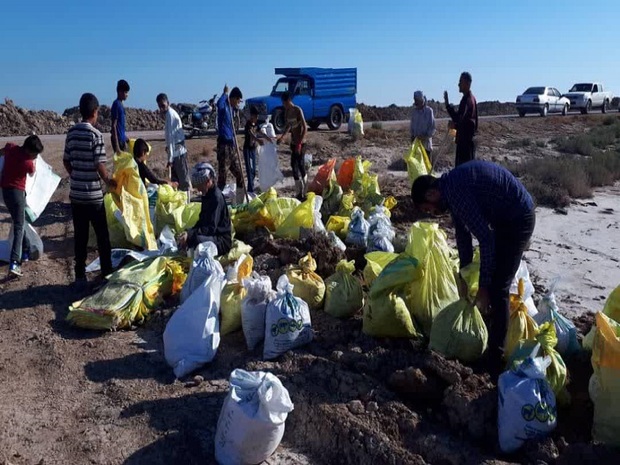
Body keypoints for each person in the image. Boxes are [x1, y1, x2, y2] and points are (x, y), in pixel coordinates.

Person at [410, 161, 536, 376]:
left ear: (431, 194)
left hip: (518, 219)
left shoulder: (456, 193)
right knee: (493, 281)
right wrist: (464, 275)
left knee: (499, 287)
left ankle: (495, 360)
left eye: (427, 209)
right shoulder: (450, 191)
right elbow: (463, 236)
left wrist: (484, 287)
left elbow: (485, 239)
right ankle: (492, 331)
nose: (431, 213)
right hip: (503, 219)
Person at [63, 93, 117, 286]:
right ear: (95, 112)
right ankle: (107, 272)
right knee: (102, 236)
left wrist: (76, 176)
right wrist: (111, 181)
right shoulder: (96, 135)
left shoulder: (71, 133)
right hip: (93, 196)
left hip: (76, 196)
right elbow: (100, 166)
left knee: (80, 237)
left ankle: (79, 276)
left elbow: (66, 160)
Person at [0, 135, 43, 277]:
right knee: (19, 226)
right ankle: (15, 263)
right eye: (35, 154)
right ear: (29, 151)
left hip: (5, 193)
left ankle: (27, 250)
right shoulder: (28, 163)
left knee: (20, 221)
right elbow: (32, 173)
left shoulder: (11, 148)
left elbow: (2, 151)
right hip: (18, 195)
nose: (36, 156)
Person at [177, 163, 232, 256]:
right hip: (212, 235)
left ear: (208, 181)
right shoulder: (207, 195)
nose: (198, 189)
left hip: (221, 240)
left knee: (197, 240)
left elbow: (211, 228)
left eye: (200, 185)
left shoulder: (216, 198)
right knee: (184, 235)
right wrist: (188, 232)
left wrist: (190, 235)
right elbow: (202, 221)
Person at [156, 93, 191, 195]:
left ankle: (186, 204)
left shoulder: (170, 115)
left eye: (163, 105)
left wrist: (170, 159)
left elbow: (171, 138)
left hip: (178, 153)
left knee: (183, 181)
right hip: (174, 153)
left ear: (168, 103)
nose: (162, 108)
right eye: (160, 107)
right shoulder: (167, 115)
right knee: (175, 182)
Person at [276, 91, 307, 200]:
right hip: (294, 143)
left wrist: (300, 142)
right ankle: (299, 192)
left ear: (288, 101)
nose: (284, 105)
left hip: (301, 143)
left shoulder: (297, 110)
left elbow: (304, 127)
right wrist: (282, 137)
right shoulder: (287, 112)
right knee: (294, 166)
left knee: (301, 165)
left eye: (284, 102)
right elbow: (288, 126)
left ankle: (306, 191)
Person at [216, 85, 245, 203]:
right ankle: (215, 203)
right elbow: (218, 104)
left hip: (231, 146)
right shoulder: (224, 107)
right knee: (222, 179)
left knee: (240, 175)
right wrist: (225, 94)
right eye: (238, 100)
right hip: (224, 147)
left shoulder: (232, 109)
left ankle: (240, 203)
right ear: (233, 98)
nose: (238, 103)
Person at [444, 72, 478, 166]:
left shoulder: (468, 101)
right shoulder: (468, 99)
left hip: (465, 145)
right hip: (463, 143)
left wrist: (454, 125)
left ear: (467, 83)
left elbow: (459, 120)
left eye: (460, 82)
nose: (458, 84)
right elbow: (459, 120)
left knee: (464, 175)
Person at [243, 106, 265, 193]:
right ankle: (250, 190)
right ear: (252, 116)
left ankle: (250, 188)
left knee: (253, 171)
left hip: (253, 150)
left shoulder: (256, 125)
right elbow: (251, 134)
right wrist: (258, 140)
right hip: (247, 150)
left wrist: (268, 138)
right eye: (256, 117)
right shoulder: (248, 125)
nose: (256, 119)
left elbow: (260, 132)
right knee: (249, 170)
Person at [410, 90, 436, 159]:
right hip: (416, 148)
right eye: (415, 100)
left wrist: (424, 136)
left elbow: (432, 128)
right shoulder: (414, 112)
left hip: (426, 147)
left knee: (427, 169)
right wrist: (412, 139)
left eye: (417, 100)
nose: (415, 102)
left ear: (421, 100)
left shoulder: (429, 111)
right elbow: (412, 128)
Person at [111, 79, 130, 153]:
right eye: (125, 92)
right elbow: (114, 126)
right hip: (118, 141)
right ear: (119, 92)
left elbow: (120, 126)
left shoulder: (121, 104)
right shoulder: (116, 104)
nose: (127, 95)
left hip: (122, 139)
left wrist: (126, 138)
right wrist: (117, 146)